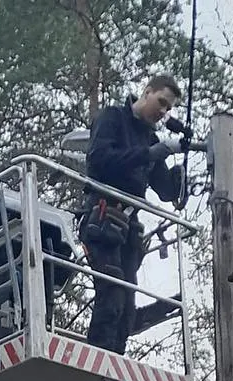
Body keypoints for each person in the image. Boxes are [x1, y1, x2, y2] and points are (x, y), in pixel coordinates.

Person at [80, 74, 186, 354]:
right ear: (146, 92)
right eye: (161, 102)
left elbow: (165, 191)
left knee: (126, 305)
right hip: (101, 217)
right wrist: (149, 154)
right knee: (111, 296)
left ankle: (113, 361)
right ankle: (97, 362)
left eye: (169, 108)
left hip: (127, 228)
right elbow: (98, 160)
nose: (163, 111)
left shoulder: (149, 138)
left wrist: (178, 174)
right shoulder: (112, 118)